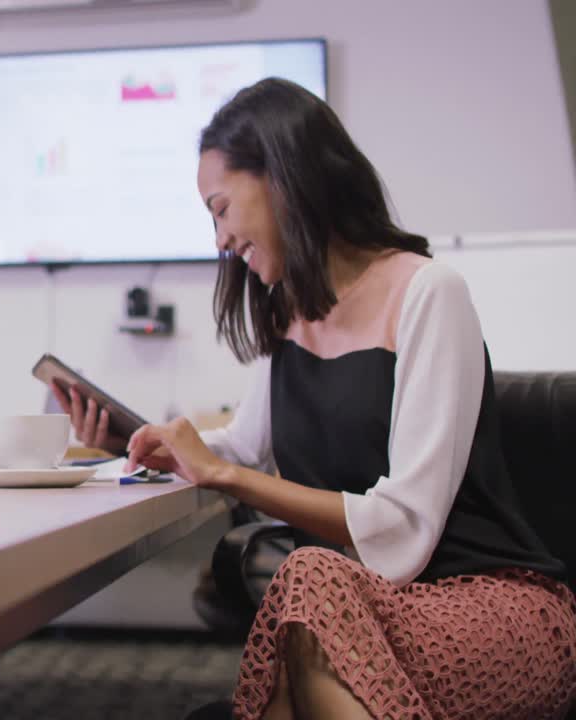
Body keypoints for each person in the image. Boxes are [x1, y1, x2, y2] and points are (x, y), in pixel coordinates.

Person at [56, 78, 576, 719]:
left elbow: (404, 526)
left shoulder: (429, 292)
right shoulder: (289, 319)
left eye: (220, 208)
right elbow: (240, 449)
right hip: (362, 611)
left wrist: (228, 475)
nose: (218, 239)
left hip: (485, 609)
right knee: (310, 592)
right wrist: (136, 440)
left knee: (307, 581)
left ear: (281, 177)